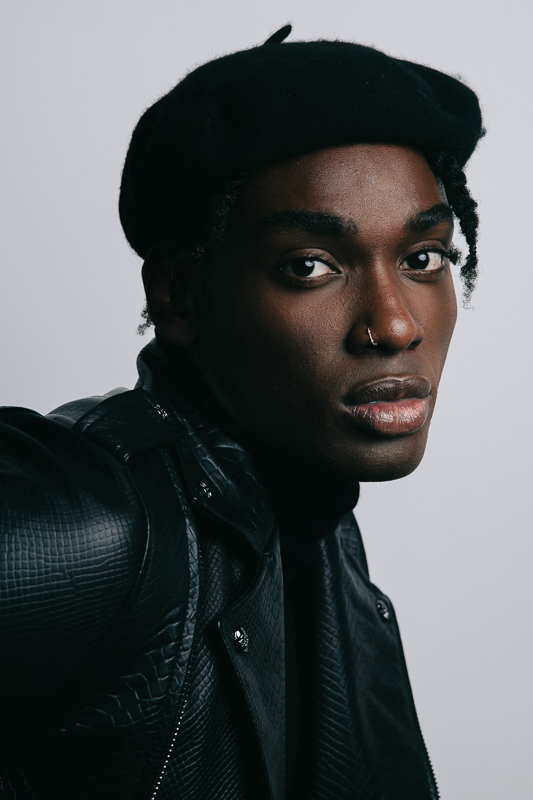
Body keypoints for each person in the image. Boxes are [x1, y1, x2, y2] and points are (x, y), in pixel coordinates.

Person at [0, 25, 483, 800]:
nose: (394, 325)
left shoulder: (319, 538)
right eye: (309, 266)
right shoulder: (95, 525)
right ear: (180, 297)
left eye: (422, 258)